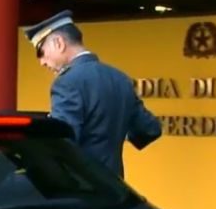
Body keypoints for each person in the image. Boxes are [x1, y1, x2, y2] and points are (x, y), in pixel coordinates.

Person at [24, 10, 162, 178]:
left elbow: (62, 142)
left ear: (59, 43)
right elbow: (150, 129)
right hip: (114, 186)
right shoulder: (119, 78)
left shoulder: (67, 83)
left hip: (80, 185)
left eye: (41, 52)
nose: (42, 62)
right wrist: (114, 130)